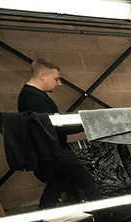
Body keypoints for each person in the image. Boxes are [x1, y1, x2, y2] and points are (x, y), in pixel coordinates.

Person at [18, 59, 102, 209]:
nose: (59, 84)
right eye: (56, 79)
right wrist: (89, 124)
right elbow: (54, 128)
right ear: (42, 75)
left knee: (56, 185)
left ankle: (41, 221)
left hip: (50, 150)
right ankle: (106, 213)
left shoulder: (34, 95)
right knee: (86, 180)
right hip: (55, 150)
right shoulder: (33, 98)